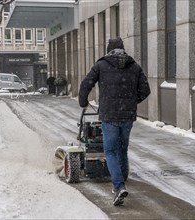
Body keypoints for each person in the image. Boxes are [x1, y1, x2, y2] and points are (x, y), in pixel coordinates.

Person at [78, 37, 150, 206]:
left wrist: (83, 102)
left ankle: (119, 186)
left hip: (109, 115)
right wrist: (131, 102)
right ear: (123, 49)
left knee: (110, 151)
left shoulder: (101, 65)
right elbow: (146, 90)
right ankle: (122, 179)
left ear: (109, 49)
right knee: (122, 149)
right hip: (127, 116)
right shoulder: (134, 66)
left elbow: (85, 84)